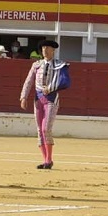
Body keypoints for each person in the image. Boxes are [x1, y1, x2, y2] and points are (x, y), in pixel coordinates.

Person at [20, 39, 70, 169]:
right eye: (43, 49)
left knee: (45, 129)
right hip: (38, 99)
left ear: (53, 50)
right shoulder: (36, 65)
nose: (45, 51)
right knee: (39, 130)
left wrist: (51, 88)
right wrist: (23, 97)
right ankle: (45, 160)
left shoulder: (60, 65)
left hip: (52, 99)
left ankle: (48, 159)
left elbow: (65, 82)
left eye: (48, 48)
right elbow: (28, 81)